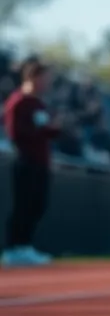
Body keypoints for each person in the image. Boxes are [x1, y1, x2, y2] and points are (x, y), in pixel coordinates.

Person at [2, 58, 58, 268]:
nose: (48, 83)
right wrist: (41, 132)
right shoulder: (19, 101)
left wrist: (55, 129)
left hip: (41, 163)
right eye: (46, 78)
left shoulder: (38, 104)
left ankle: (24, 246)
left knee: (37, 205)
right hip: (26, 161)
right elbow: (15, 132)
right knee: (23, 206)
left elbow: (46, 131)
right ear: (34, 77)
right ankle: (13, 249)